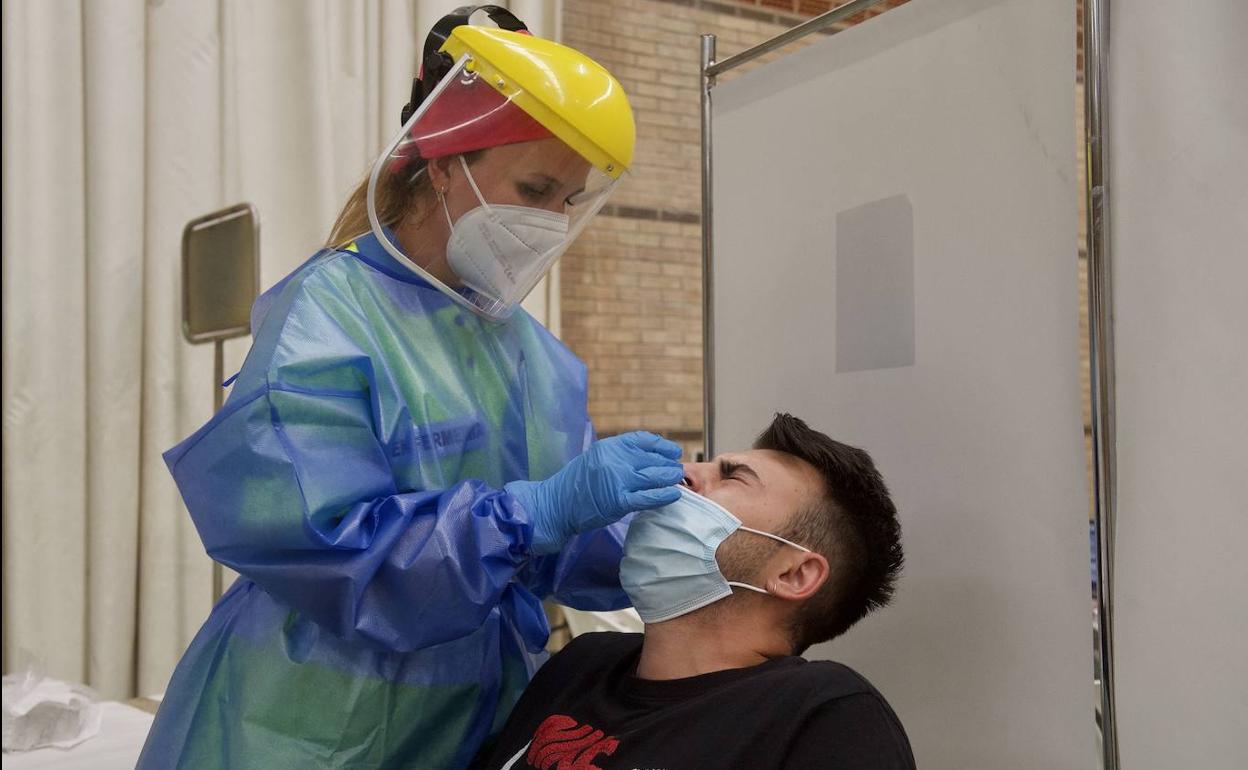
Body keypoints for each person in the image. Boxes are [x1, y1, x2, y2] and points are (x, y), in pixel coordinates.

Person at [137, 8, 683, 769]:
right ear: (443, 164)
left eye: (567, 198)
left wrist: (678, 541)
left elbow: (571, 545)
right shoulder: (329, 314)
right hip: (310, 722)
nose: (550, 219)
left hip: (474, 717)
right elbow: (326, 546)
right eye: (533, 186)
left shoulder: (531, 353)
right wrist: (534, 511)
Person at [470, 413, 914, 770]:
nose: (685, 473)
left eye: (732, 477)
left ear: (794, 573)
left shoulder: (822, 715)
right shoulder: (581, 664)